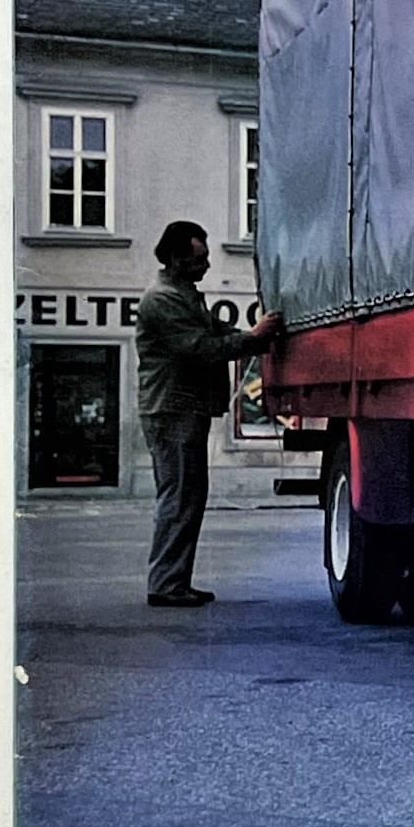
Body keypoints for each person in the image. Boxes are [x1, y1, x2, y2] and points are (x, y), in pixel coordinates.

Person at [136, 221, 282, 608]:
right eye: (199, 259)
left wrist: (251, 337)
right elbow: (200, 347)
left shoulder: (185, 295)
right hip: (172, 409)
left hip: (183, 408)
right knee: (180, 494)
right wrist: (254, 338)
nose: (207, 266)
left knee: (188, 495)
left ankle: (174, 580)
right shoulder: (163, 299)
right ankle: (166, 584)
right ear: (175, 257)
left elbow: (217, 331)